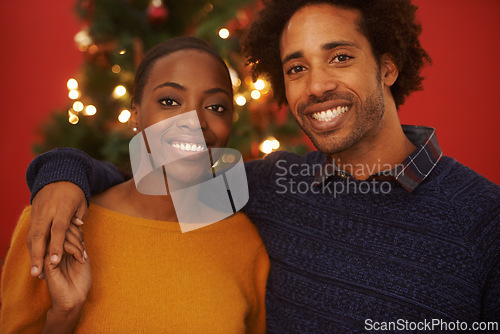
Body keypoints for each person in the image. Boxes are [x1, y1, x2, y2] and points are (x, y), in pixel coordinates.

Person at [17, 0, 500, 332]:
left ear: (388, 67)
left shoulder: (484, 217)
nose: (315, 87)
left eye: (340, 57)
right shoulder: (272, 187)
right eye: (296, 68)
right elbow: (149, 183)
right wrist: (62, 174)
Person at [1, 37, 269, 333]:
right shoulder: (55, 223)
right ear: (136, 114)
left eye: (216, 107)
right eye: (170, 101)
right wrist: (65, 313)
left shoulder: (245, 243)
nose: (194, 121)